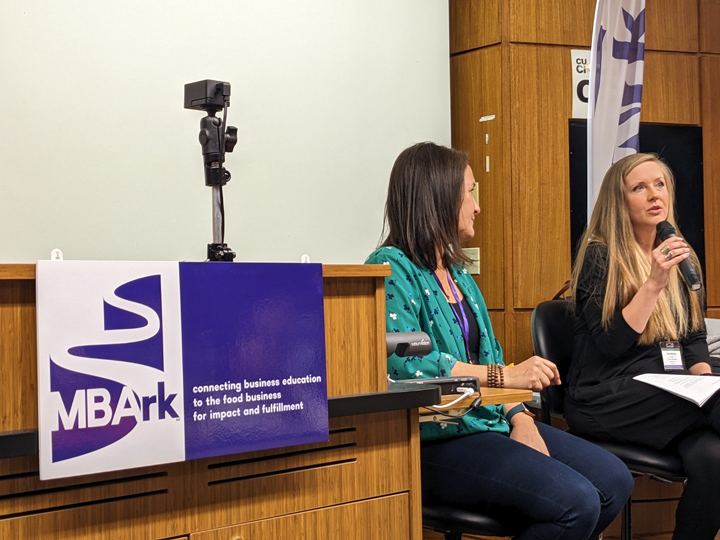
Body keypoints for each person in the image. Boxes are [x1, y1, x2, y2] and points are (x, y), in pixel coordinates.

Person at [366, 142, 633, 540]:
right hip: (433, 438)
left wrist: (521, 419)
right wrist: (503, 377)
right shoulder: (390, 266)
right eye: (469, 192)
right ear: (438, 197)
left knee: (614, 481)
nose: (476, 207)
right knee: (576, 502)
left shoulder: (459, 275)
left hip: (487, 422)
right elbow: (410, 364)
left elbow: (492, 357)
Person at [567, 153, 720, 540]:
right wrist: (654, 281)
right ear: (619, 202)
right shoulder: (601, 256)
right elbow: (611, 345)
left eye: (660, 184)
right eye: (639, 187)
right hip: (606, 396)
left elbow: (693, 336)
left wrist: (703, 381)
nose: (654, 195)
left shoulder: (680, 253)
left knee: (714, 459)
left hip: (669, 393)